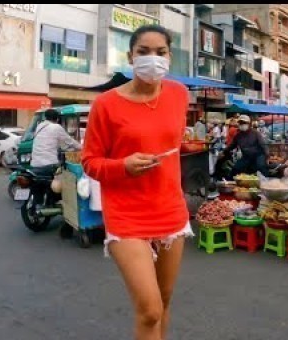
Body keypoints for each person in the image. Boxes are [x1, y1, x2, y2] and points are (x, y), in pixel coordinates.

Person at [81, 24, 193, 340]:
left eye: (160, 52)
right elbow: (90, 162)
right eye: (143, 52)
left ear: (170, 57)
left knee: (165, 300)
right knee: (149, 310)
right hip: (127, 215)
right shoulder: (105, 104)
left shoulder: (179, 94)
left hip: (170, 209)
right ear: (131, 56)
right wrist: (124, 166)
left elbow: (171, 142)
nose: (152, 59)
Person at [221, 114, 269, 179]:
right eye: (240, 123)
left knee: (261, 166)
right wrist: (223, 152)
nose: (242, 124)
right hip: (246, 157)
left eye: (244, 123)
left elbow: (263, 145)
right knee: (236, 168)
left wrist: (267, 156)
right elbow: (232, 145)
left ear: (249, 124)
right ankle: (231, 183)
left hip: (258, 155)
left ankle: (266, 182)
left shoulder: (255, 133)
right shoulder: (238, 136)